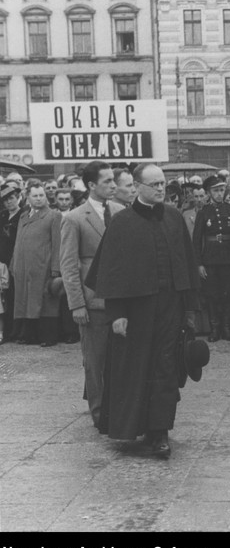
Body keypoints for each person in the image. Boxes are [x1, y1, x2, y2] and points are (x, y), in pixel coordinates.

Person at [85, 163, 201, 458]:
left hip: (170, 308)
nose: (161, 189)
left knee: (165, 368)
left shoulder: (174, 218)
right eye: (154, 184)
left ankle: (160, 432)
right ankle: (136, 427)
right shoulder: (123, 222)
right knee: (137, 370)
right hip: (135, 311)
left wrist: (190, 310)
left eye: (163, 183)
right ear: (137, 187)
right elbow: (112, 271)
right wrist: (117, 313)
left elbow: (187, 264)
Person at [60, 160, 123, 426]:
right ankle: (99, 414)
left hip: (121, 301)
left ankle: (120, 410)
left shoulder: (121, 212)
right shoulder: (74, 218)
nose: (113, 185)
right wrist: (77, 304)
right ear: (91, 185)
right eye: (107, 181)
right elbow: (68, 264)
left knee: (120, 360)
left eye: (113, 180)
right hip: (92, 302)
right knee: (95, 362)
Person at [192, 175, 230, 342]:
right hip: (210, 259)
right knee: (212, 295)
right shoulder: (203, 212)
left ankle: (227, 328)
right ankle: (214, 329)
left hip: (229, 258)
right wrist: (199, 263)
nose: (219, 194)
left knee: (228, 294)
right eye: (215, 191)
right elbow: (196, 239)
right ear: (208, 193)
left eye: (222, 190)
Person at [11, 181, 62, 347]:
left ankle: (48, 337)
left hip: (43, 266)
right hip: (24, 268)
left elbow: (57, 244)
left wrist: (55, 269)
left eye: (42, 195)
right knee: (26, 300)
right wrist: (14, 263)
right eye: (35, 196)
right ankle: (29, 335)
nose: (39, 199)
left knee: (45, 302)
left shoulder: (53, 216)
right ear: (28, 197)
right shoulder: (24, 216)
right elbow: (18, 241)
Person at [0, 183, 28, 343]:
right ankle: (8, 330)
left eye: (11, 198)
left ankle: (18, 331)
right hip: (2, 262)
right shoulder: (2, 215)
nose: (9, 202)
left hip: (17, 260)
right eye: (5, 200)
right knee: (5, 297)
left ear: (17, 197)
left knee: (17, 295)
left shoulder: (24, 214)